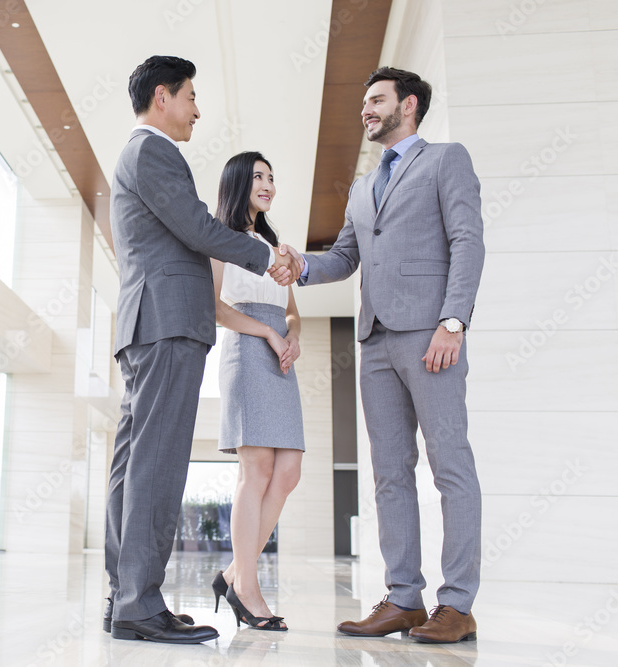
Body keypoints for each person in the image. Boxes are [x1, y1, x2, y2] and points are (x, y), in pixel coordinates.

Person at [282, 66, 485, 643]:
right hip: (373, 342)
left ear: (410, 104)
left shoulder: (447, 161)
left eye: (376, 100)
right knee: (389, 474)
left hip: (431, 336)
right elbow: (344, 257)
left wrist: (453, 321)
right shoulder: (363, 186)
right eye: (365, 102)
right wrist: (301, 264)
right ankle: (403, 598)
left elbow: (468, 240)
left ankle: (458, 604)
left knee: (451, 467)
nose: (366, 110)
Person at [104, 55, 300, 645]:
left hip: (150, 323)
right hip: (167, 323)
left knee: (133, 464)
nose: (196, 109)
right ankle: (138, 603)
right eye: (190, 96)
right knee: (156, 464)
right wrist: (265, 256)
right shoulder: (153, 151)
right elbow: (195, 226)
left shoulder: (139, 155)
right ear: (162, 96)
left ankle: (127, 597)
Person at [209, 152, 304, 632]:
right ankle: (247, 587)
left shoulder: (278, 248)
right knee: (258, 467)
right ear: (238, 183)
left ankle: (230, 574)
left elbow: (290, 310)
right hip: (246, 350)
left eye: (272, 176)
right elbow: (217, 308)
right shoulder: (221, 240)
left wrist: (292, 334)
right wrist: (266, 334)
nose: (267, 184)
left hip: (279, 355)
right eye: (258, 176)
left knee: (288, 470)